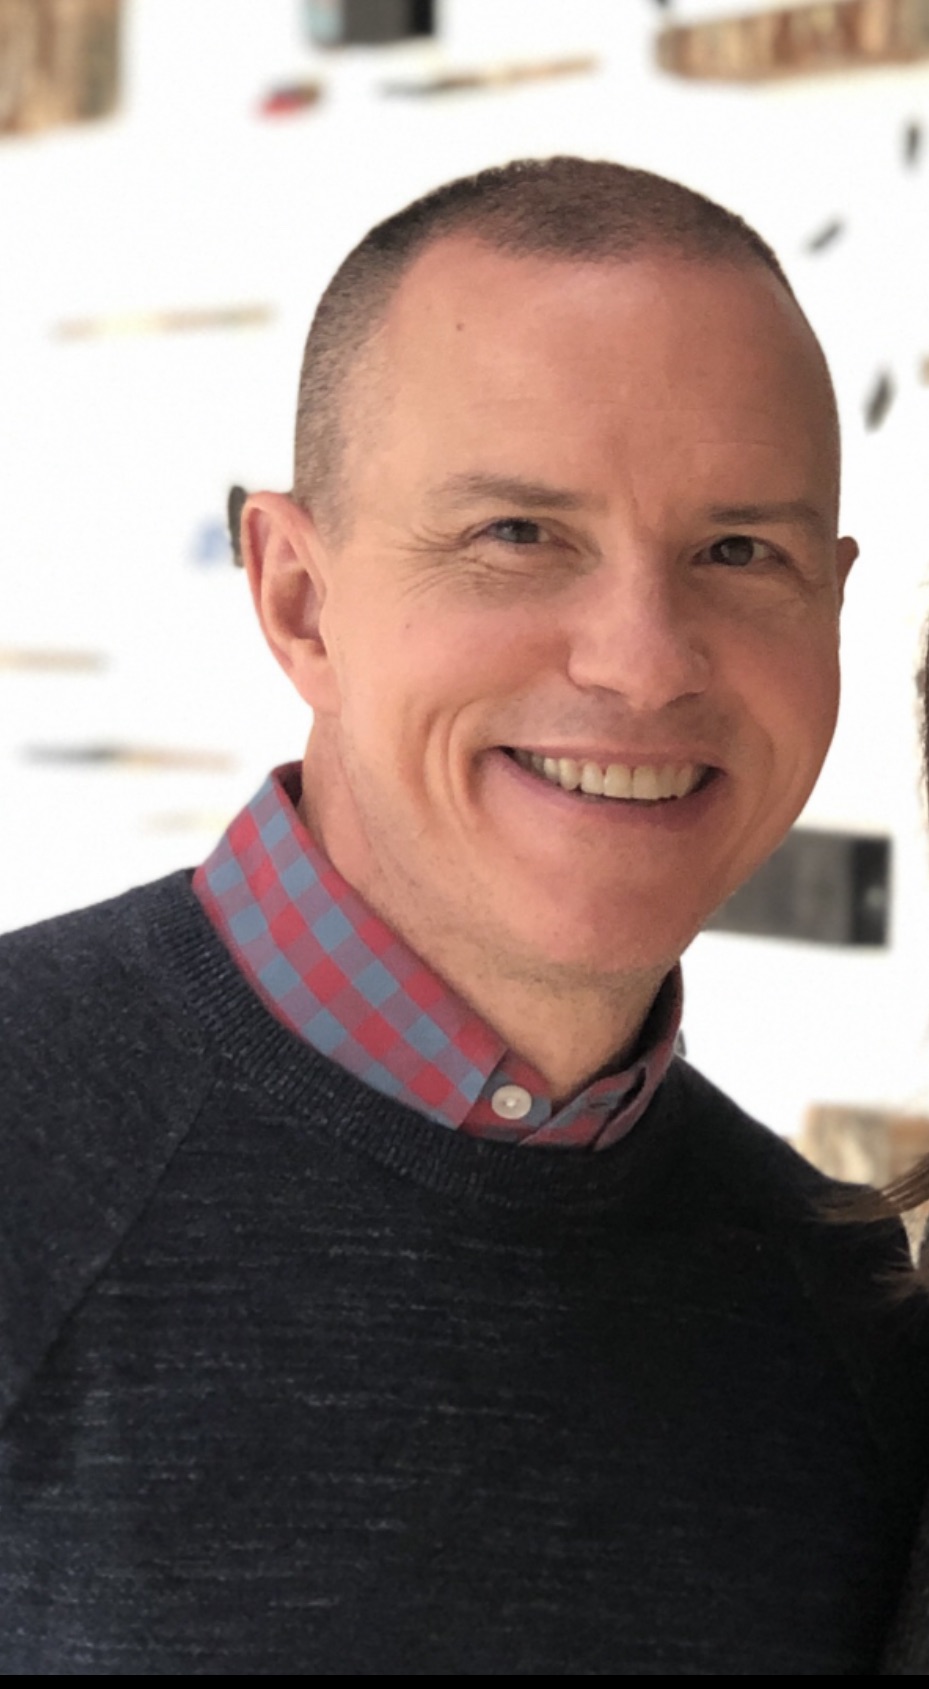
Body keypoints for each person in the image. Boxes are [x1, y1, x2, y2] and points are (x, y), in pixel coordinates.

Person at [0, 156, 926, 1676]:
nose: (643, 660)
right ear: (298, 600)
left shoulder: (846, 1325)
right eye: (518, 533)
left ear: (830, 607)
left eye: (736, 551)